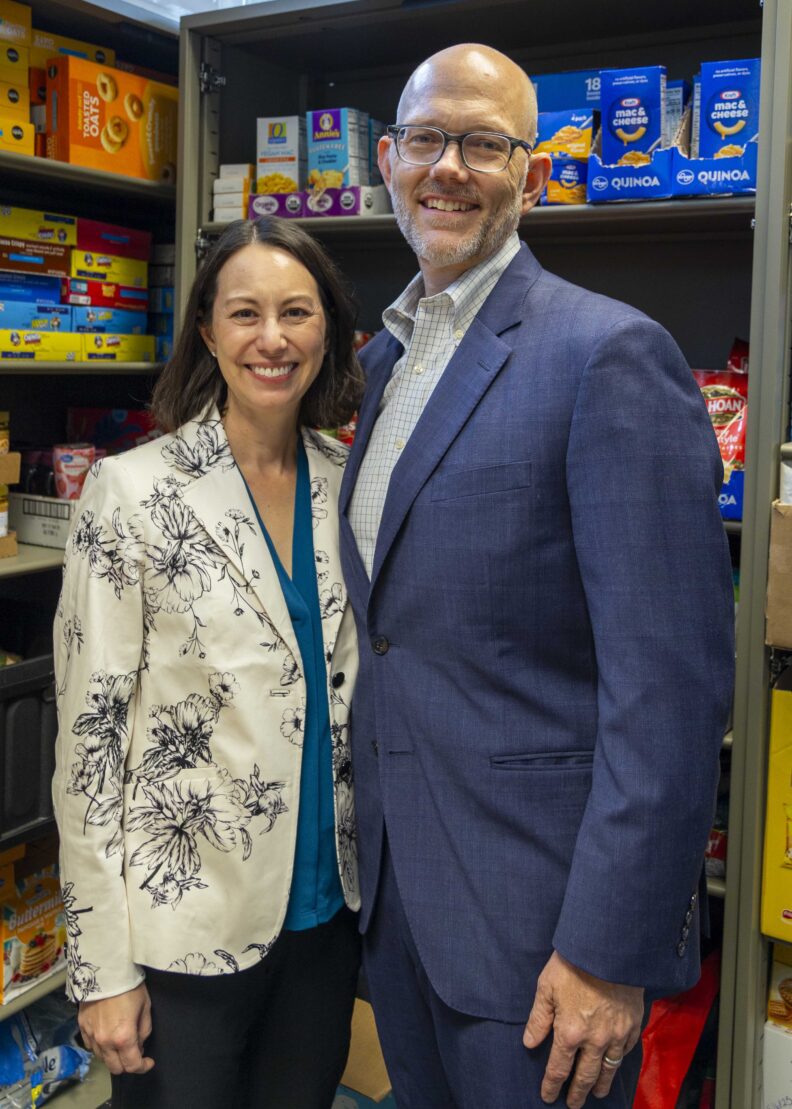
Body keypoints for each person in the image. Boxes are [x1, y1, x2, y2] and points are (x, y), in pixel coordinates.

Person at [339, 43, 735, 1109]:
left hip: (546, 935)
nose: (448, 168)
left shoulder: (608, 354)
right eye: (427, 139)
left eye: (485, 143)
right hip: (402, 905)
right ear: (388, 159)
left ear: (533, 170)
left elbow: (672, 692)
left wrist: (611, 950)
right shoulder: (384, 364)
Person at [53, 217, 364, 1109]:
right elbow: (88, 750)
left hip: (324, 923)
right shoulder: (133, 491)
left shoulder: (352, 483)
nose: (273, 339)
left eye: (297, 313)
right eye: (245, 313)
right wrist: (100, 969)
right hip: (180, 930)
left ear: (327, 332)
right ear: (207, 331)